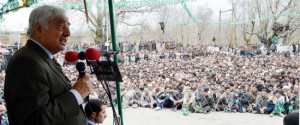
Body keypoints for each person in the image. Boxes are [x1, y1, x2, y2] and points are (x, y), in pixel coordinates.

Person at [4, 5, 93, 125]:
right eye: (61, 26)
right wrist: (77, 94)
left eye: (68, 26)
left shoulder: (41, 57)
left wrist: (77, 90)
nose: (68, 33)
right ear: (39, 29)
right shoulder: (26, 61)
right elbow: (34, 121)